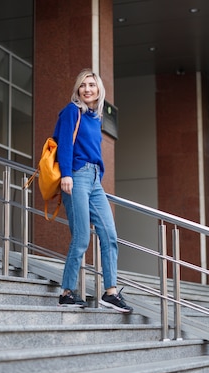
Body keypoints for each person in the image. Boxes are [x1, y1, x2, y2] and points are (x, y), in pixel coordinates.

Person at [53, 68, 132, 314]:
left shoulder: (95, 118)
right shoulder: (71, 112)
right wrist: (66, 173)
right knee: (81, 237)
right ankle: (67, 291)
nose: (87, 89)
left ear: (99, 90)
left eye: (92, 85)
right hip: (75, 176)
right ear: (78, 89)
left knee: (109, 234)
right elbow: (64, 143)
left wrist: (99, 174)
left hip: (95, 179)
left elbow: (95, 152)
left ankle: (110, 292)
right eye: (83, 85)